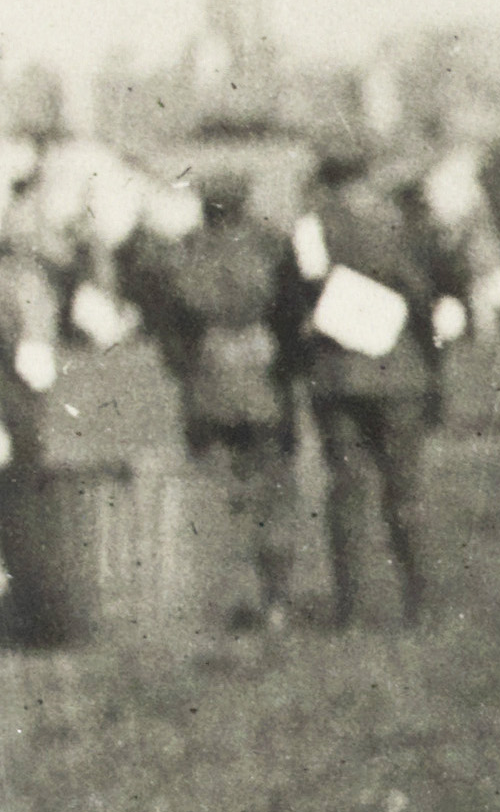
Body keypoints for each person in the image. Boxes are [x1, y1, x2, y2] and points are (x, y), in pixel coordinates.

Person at [285, 142, 474, 630]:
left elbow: (297, 294)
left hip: (336, 373)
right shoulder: (406, 222)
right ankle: (420, 604)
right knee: (405, 489)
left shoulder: (312, 226)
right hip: (401, 373)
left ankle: (350, 609)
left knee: (346, 490)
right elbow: (444, 288)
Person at [126, 165, 305, 628]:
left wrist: (186, 371)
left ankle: (220, 599)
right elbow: (292, 314)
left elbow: (169, 328)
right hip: (266, 383)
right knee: (273, 493)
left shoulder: (185, 253)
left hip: (207, 383)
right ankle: (276, 602)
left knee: (214, 495)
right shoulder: (273, 246)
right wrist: (287, 368)